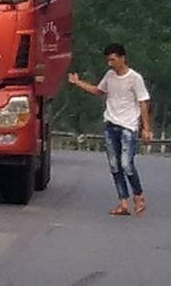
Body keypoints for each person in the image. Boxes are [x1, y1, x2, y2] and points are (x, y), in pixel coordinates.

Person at [66, 46, 155, 216]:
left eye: (113, 59)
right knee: (114, 165)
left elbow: (144, 102)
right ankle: (123, 202)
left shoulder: (135, 78)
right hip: (111, 124)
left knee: (126, 164)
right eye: (108, 60)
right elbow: (99, 91)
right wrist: (78, 83)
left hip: (128, 126)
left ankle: (138, 195)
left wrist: (146, 128)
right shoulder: (109, 76)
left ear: (123, 58)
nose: (110, 63)